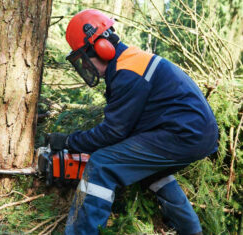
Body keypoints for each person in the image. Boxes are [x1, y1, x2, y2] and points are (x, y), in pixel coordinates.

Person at [48, 9, 218, 235]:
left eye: (84, 59)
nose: (86, 67)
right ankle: (192, 230)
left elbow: (113, 132)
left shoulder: (129, 71)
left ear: (100, 48)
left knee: (102, 165)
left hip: (184, 133)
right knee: (152, 173)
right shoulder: (129, 63)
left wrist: (69, 141)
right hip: (195, 133)